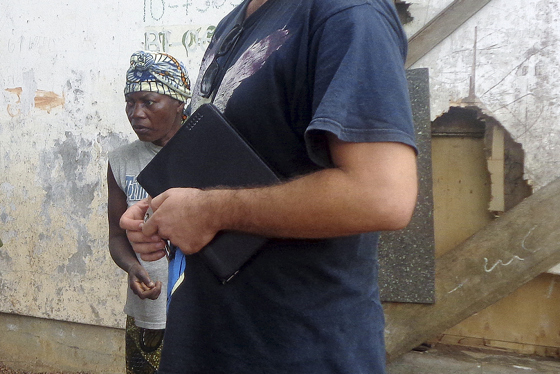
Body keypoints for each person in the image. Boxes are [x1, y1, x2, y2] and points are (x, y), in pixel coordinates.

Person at [121, 0, 418, 372]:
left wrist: (208, 210)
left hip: (293, 348)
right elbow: (241, 159)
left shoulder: (347, 11)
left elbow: (382, 196)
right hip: (207, 339)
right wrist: (161, 209)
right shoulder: (236, 21)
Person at [107, 50, 191, 374]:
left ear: (179, 103)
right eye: (130, 102)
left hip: (201, 311)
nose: (135, 113)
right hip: (147, 313)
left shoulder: (206, 152)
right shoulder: (121, 161)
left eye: (148, 101)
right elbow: (116, 236)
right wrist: (132, 268)